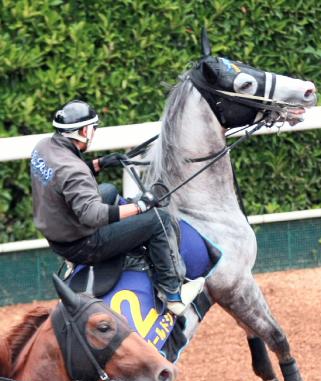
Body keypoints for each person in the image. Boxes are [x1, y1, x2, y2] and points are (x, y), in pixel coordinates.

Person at [30, 99, 204, 315]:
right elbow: (94, 216)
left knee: (109, 190)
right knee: (159, 220)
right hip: (83, 244)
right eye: (93, 128)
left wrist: (99, 163)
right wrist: (141, 206)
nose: (94, 133)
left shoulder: (43, 147)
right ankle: (173, 295)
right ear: (84, 131)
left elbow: (62, 178)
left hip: (58, 232)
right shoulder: (74, 170)